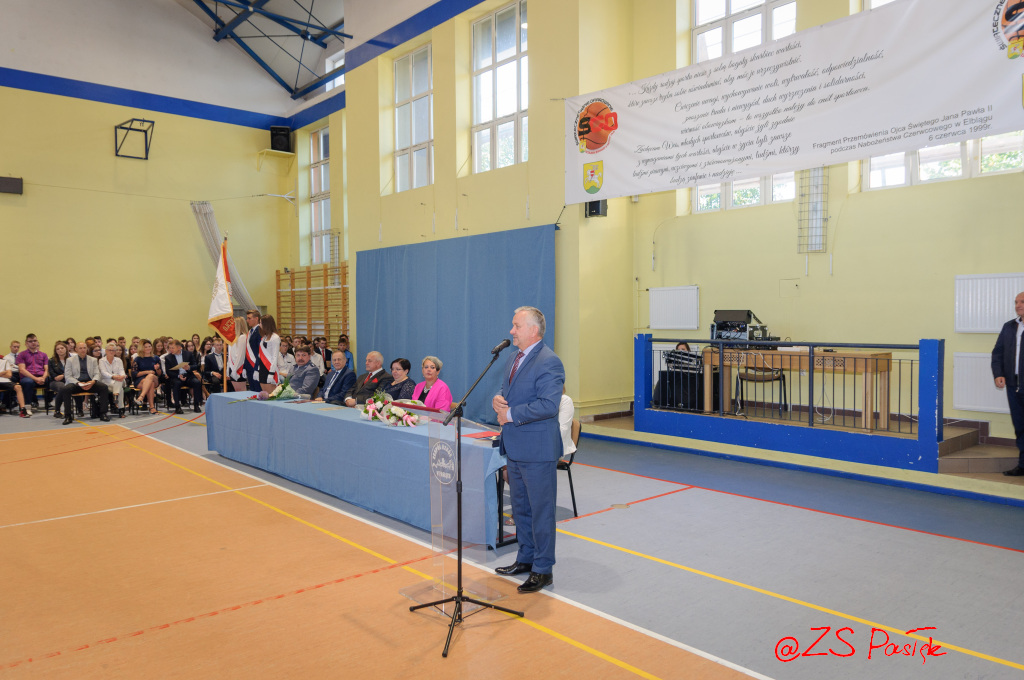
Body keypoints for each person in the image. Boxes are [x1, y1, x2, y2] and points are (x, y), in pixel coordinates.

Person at [492, 306, 565, 593]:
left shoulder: (549, 361)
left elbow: (549, 405)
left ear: (533, 330)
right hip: (515, 447)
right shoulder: (513, 357)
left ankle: (543, 569)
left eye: (517, 326)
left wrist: (509, 414)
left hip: (537, 450)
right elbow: (508, 394)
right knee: (521, 509)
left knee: (541, 512)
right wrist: (498, 400)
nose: (511, 331)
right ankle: (525, 558)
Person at [992, 291, 1024, 476]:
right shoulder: (1009, 326)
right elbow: (997, 352)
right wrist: (998, 374)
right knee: (1020, 426)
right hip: (1014, 385)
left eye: (1022, 302)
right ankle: (1023, 465)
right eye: (1016, 302)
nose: (1018, 305)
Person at [59, 342, 111, 424]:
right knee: (66, 389)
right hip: (76, 383)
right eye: (80, 348)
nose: (83, 350)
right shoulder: (70, 360)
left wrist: (93, 381)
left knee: (104, 387)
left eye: (84, 348)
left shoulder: (93, 360)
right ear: (76, 349)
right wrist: (78, 383)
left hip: (90, 383)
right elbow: (68, 376)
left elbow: (97, 374)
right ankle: (68, 416)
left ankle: (103, 413)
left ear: (87, 349)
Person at [165, 338, 203, 414]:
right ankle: (177, 407)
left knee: (197, 382)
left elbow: (196, 366)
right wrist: (178, 376)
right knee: (176, 384)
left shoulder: (188, 354)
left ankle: (196, 405)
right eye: (170, 348)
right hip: (177, 377)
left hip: (188, 375)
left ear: (179, 347)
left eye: (173, 348)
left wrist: (189, 367)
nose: (171, 350)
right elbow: (168, 372)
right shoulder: (168, 357)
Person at [17, 333, 49, 412]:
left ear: (37, 342)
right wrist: (36, 379)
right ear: (26, 343)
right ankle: (27, 406)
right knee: (28, 382)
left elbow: (47, 369)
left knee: (52, 381)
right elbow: (22, 370)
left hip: (41, 377)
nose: (33, 343)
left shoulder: (43, 355)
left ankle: (49, 403)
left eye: (35, 340)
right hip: (28, 377)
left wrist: (43, 378)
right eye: (30, 341)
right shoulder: (21, 354)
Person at [132, 339, 162, 414]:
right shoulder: (137, 359)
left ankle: (141, 396)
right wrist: (147, 372)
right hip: (140, 380)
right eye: (146, 347)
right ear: (142, 348)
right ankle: (152, 407)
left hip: (154, 379)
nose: (148, 348)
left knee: (151, 376)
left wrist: (157, 369)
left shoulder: (156, 358)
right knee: (150, 383)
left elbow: (160, 374)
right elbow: (134, 374)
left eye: (149, 346)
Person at [100, 342, 128, 418]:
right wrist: (113, 376)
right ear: (106, 351)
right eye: (109, 350)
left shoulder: (118, 360)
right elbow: (103, 372)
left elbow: (122, 370)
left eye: (113, 350)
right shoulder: (102, 360)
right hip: (108, 382)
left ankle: (115, 395)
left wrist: (122, 376)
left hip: (119, 380)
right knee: (120, 390)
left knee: (119, 382)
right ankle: (121, 410)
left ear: (115, 352)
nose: (111, 352)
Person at [0, 353, 31, 417]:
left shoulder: (5, 362)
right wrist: (3, 373)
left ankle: (23, 410)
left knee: (18, 387)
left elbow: (9, 375)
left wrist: (4, 373)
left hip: (5, 381)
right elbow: (6, 374)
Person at [256, 314, 281, 393]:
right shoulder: (264, 337)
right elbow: (260, 355)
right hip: (262, 368)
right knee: (265, 394)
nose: (259, 325)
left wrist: (271, 373)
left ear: (266, 324)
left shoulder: (275, 337)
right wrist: (258, 369)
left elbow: (275, 356)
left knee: (271, 395)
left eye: (261, 323)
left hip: (270, 368)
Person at [243, 309, 263, 392]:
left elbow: (260, 352)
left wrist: (256, 368)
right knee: (252, 391)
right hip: (249, 365)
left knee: (258, 391)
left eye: (249, 318)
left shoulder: (260, 331)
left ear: (256, 318)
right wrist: (244, 367)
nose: (247, 320)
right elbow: (247, 351)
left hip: (256, 365)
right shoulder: (250, 332)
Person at [48, 341, 69, 418]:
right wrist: (58, 377)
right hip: (55, 381)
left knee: (74, 385)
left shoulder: (72, 359)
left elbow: (74, 372)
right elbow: (52, 373)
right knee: (62, 387)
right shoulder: (51, 361)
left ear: (66, 348)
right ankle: (57, 411)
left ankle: (79, 409)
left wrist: (63, 375)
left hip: (68, 380)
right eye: (58, 349)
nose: (60, 350)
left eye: (62, 348)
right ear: (55, 351)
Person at [227, 316, 248, 392]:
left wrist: (235, 369)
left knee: (241, 391)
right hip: (232, 367)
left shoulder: (243, 337)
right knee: (236, 390)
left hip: (239, 367)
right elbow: (230, 355)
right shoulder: (234, 338)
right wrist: (228, 370)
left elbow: (240, 355)